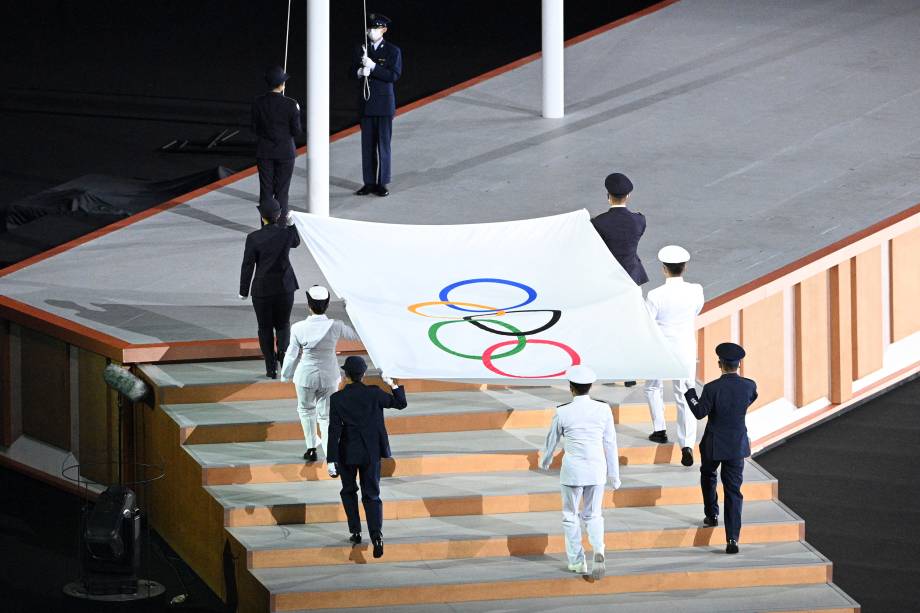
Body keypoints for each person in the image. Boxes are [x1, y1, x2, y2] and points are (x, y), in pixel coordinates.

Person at [539, 365, 620, 580]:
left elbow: (552, 440)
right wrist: (615, 474)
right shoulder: (603, 409)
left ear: (571, 388)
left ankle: (577, 561)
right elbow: (610, 443)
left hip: (573, 471)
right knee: (593, 514)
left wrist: (545, 461)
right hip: (596, 469)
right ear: (590, 387)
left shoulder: (563, 411)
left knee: (570, 515)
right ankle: (599, 550)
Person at [327, 356, 407, 559]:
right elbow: (400, 403)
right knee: (371, 494)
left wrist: (330, 459)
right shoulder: (374, 393)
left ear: (346, 375)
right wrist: (392, 383)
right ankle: (376, 535)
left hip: (347, 452)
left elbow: (334, 431)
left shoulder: (337, 399)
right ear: (363, 374)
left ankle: (355, 531)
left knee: (348, 491)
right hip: (371, 452)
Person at [685, 342, 758, 554]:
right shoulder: (749, 386)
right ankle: (732, 539)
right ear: (739, 364)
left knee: (708, 475)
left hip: (714, 444)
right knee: (733, 491)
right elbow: (750, 399)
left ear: (720, 364)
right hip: (736, 445)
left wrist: (690, 393)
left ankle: (712, 514)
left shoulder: (711, 388)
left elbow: (699, 412)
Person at [281, 285, 361, 466]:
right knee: (326, 416)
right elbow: (356, 335)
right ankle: (331, 457)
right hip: (329, 376)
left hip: (305, 376)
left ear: (309, 304)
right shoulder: (336, 326)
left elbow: (291, 354)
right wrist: (352, 309)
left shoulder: (298, 328)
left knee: (305, 410)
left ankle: (311, 449)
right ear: (327, 304)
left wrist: (285, 375)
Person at [644, 245, 705, 465]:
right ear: (685, 267)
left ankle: (659, 429)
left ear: (663, 269)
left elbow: (648, 322)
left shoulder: (654, 294)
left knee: (652, 386)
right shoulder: (696, 290)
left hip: (660, 348)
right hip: (685, 348)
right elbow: (697, 310)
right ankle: (686, 443)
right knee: (686, 394)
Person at [591, 172, 647, 387]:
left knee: (606, 324)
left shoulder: (599, 223)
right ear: (628, 196)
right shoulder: (639, 221)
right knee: (630, 325)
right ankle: (630, 372)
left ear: (608, 196)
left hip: (608, 281)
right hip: (632, 278)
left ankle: (606, 367)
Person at [239, 196, 300, 378]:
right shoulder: (285, 233)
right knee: (283, 326)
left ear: (261, 216)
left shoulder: (253, 238)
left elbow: (248, 265)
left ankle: (270, 368)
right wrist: (291, 225)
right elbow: (296, 242)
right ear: (279, 214)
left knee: (264, 327)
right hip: (284, 287)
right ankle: (284, 363)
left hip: (262, 290)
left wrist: (243, 290)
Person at [351, 13, 402, 198]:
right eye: (370, 28)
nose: (372, 31)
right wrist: (359, 71)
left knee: (383, 145)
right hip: (366, 104)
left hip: (383, 104)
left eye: (376, 28)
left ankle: (382, 182)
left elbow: (393, 75)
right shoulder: (361, 49)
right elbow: (350, 73)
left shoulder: (392, 51)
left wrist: (373, 67)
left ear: (384, 30)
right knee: (368, 146)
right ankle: (369, 182)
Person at [251, 65, 302, 221]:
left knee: (265, 191)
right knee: (282, 191)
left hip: (264, 151)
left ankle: (266, 226)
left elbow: (254, 128)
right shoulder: (291, 104)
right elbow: (296, 131)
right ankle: (280, 226)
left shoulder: (258, 102)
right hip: (285, 152)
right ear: (282, 85)